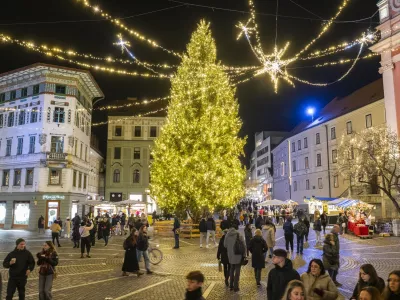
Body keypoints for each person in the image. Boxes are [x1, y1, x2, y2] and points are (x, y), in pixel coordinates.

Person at [224, 223, 246, 292]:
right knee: (237, 271)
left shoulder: (227, 235)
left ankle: (231, 286)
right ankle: (236, 287)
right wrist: (244, 255)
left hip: (230, 255)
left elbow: (225, 245)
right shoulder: (239, 234)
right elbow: (244, 245)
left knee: (231, 269)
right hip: (238, 255)